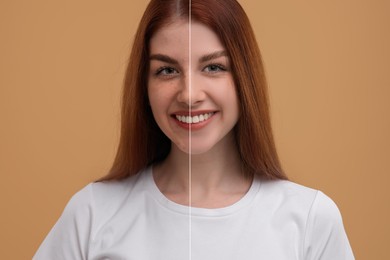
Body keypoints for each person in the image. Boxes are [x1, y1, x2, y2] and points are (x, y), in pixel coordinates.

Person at [34, 0, 354, 259]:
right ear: (143, 86)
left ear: (245, 77)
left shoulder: (311, 219)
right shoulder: (92, 213)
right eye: (167, 70)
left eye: (213, 67)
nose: (189, 94)